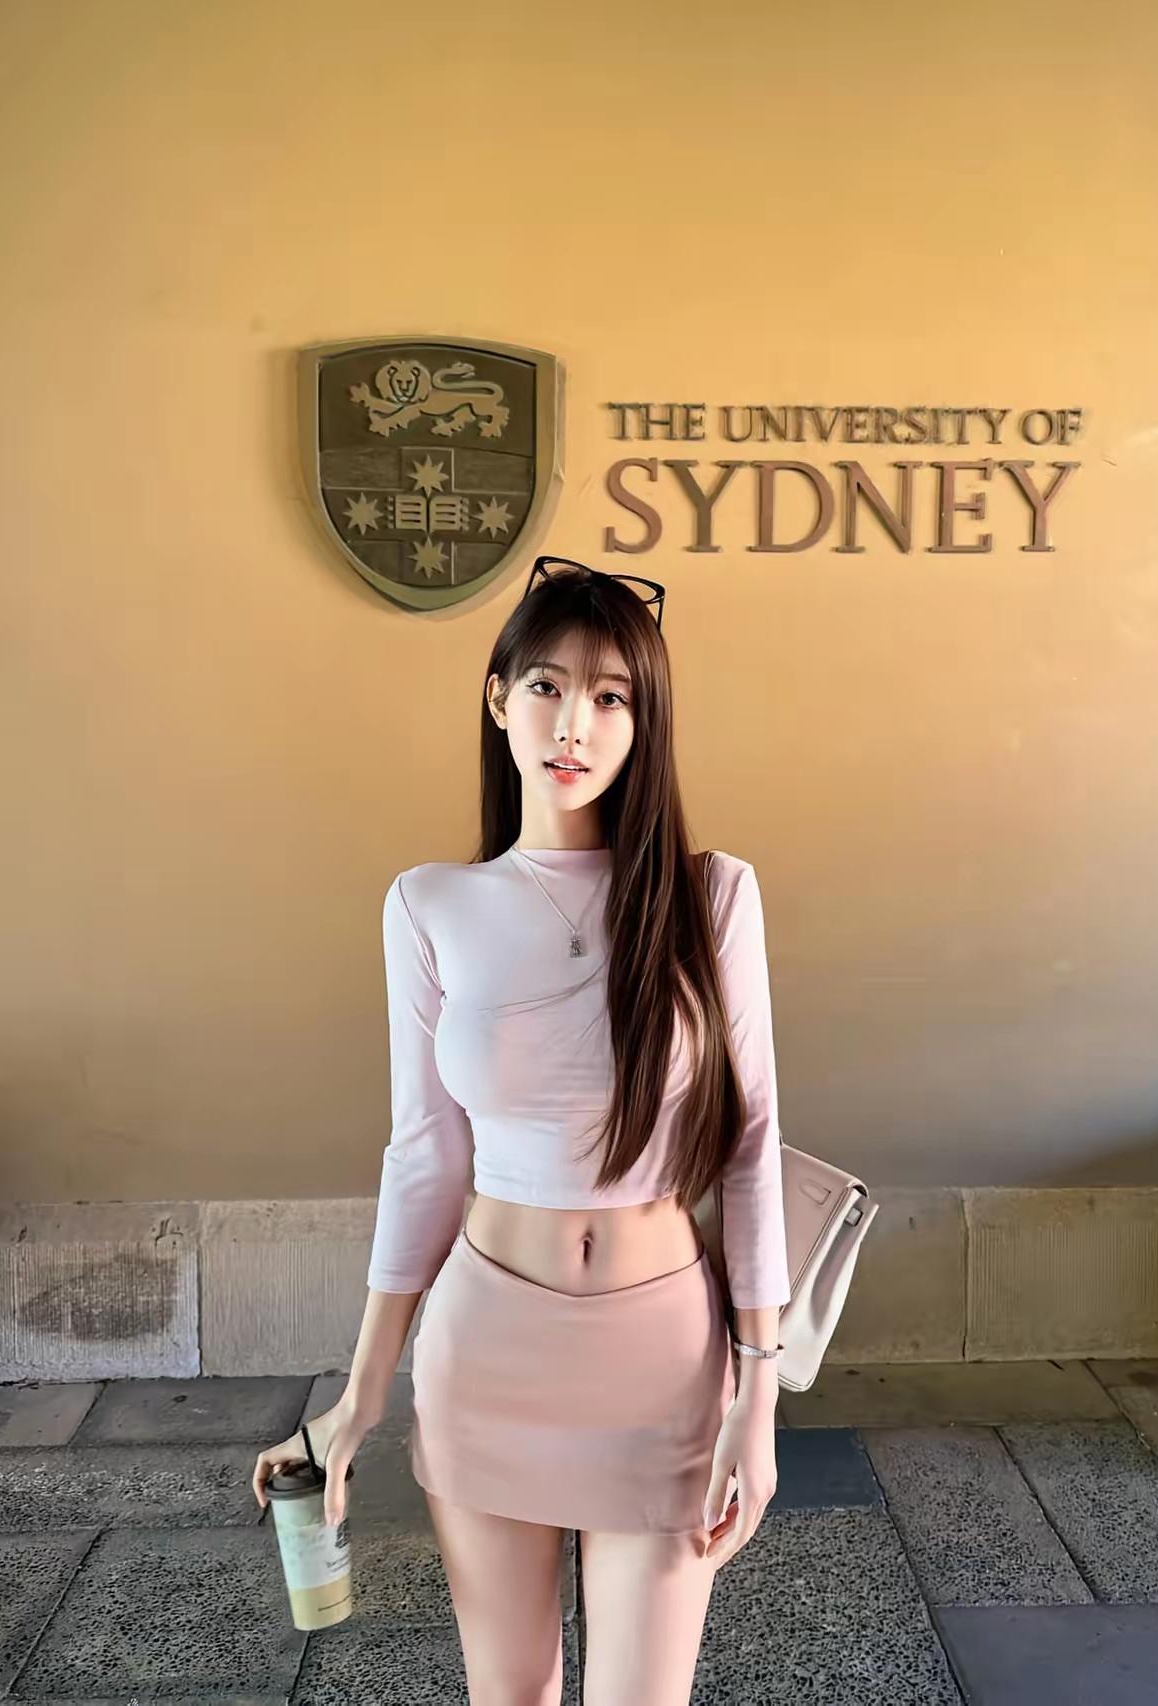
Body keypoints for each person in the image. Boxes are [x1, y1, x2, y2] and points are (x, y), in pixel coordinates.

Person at [252, 555, 791, 1704]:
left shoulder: (712, 897)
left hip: (663, 1360)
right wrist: (358, 1394)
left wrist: (758, 1397)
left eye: (610, 696)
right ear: (498, 696)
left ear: (644, 721)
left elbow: (749, 1153)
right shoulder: (429, 903)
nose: (573, 724)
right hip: (486, 1348)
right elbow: (424, 1155)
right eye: (546, 685)